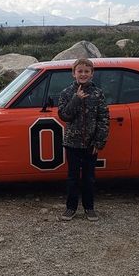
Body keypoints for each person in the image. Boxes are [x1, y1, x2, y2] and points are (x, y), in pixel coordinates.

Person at [57, 58, 110, 221]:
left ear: (92, 74)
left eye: (87, 71)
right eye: (80, 71)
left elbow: (104, 118)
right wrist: (76, 99)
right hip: (72, 144)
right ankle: (70, 208)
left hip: (90, 144)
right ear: (74, 73)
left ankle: (89, 208)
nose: (83, 74)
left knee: (89, 178)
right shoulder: (66, 93)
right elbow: (64, 115)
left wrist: (99, 142)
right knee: (72, 178)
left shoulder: (98, 93)